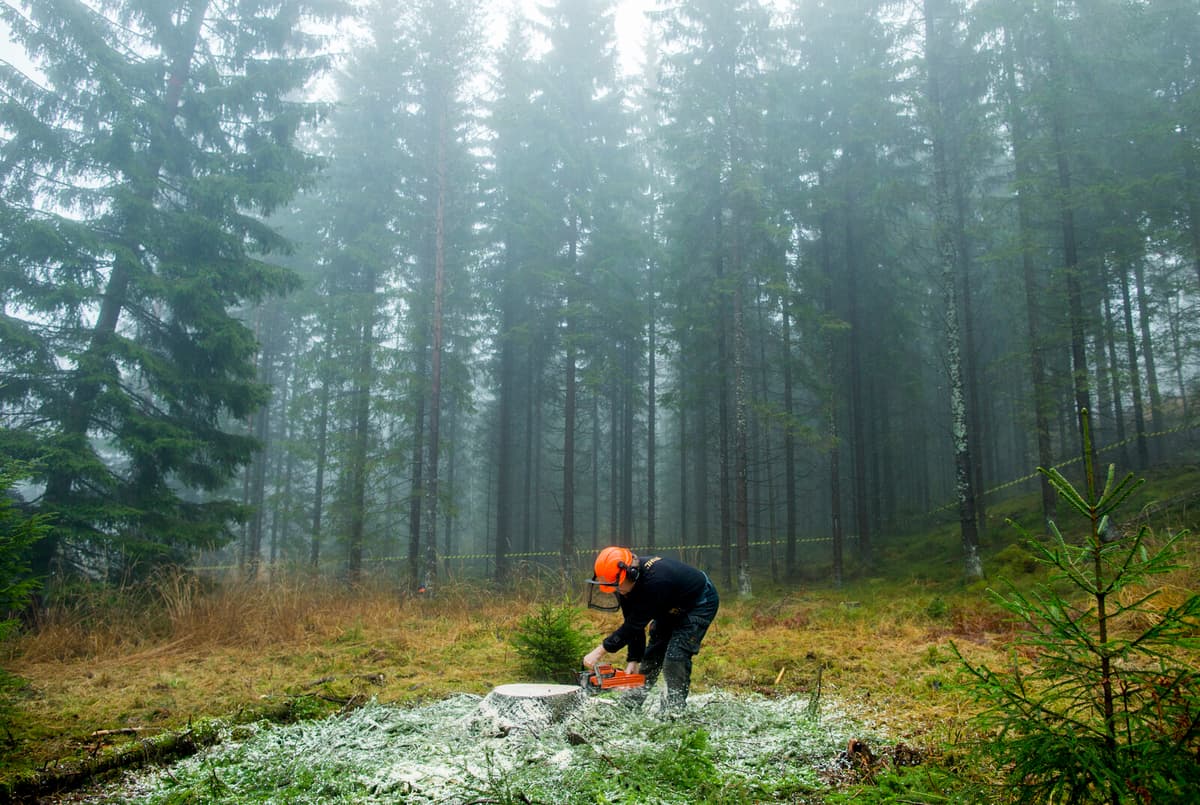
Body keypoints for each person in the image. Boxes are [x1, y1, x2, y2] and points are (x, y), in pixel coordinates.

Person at [582, 546, 719, 710]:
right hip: (669, 604)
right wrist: (634, 658)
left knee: (675, 657)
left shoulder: (656, 581)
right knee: (651, 657)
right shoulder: (625, 585)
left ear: (631, 573)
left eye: (617, 585)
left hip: (698, 602)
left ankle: (674, 712)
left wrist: (600, 650)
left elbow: (634, 625)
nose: (616, 590)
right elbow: (632, 623)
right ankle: (629, 705)